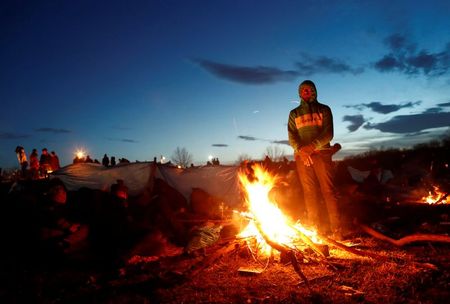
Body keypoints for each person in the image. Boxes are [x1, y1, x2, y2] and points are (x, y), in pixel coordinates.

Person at [287, 80, 341, 238]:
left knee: (328, 191)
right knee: (309, 193)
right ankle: (315, 230)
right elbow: (292, 136)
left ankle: (337, 231)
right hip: (302, 157)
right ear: (299, 93)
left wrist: (310, 148)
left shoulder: (324, 109)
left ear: (314, 92)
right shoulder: (294, 113)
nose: (306, 92)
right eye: (303, 90)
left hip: (322, 154)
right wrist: (301, 151)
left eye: (309, 90)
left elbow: (328, 134)